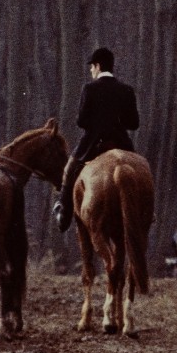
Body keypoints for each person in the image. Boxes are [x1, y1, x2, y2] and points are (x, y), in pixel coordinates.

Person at [53, 47, 140, 233]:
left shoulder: (89, 88)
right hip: (121, 144)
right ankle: (146, 213)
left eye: (92, 67)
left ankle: (64, 211)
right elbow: (134, 123)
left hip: (93, 144)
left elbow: (81, 121)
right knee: (139, 172)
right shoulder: (127, 90)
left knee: (69, 169)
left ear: (98, 66)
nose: (91, 71)